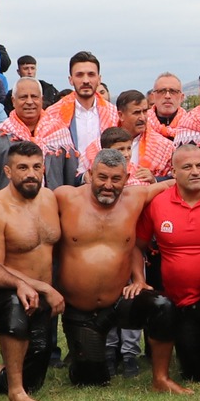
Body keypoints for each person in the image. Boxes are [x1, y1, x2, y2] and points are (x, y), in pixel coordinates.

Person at [53, 148, 165, 387]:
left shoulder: (135, 198)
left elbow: (175, 183)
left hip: (118, 302)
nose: (108, 185)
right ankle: (80, 350)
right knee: (92, 379)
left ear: (126, 178)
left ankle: (160, 370)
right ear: (90, 174)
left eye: (116, 179)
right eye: (102, 177)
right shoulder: (65, 197)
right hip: (80, 310)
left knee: (162, 306)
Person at [0, 142, 64, 401]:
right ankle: (15, 393)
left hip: (40, 298)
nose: (30, 173)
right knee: (13, 306)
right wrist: (42, 286)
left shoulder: (50, 199)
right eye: (22, 167)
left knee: (34, 379)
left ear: (44, 168)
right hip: (1, 290)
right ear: (8, 171)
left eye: (36, 167)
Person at [139, 144, 200, 392]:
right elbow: (136, 245)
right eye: (187, 167)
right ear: (173, 172)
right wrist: (138, 279)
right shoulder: (157, 203)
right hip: (183, 302)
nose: (195, 171)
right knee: (198, 375)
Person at [34, 52, 119, 183]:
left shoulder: (113, 113)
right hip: (67, 186)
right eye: (79, 75)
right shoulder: (54, 114)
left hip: (106, 183)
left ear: (99, 79)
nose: (86, 80)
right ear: (71, 79)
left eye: (91, 74)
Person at [111, 90, 176, 184]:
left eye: (145, 111)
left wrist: (154, 179)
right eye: (136, 113)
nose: (142, 118)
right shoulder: (103, 143)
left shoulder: (164, 146)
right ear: (121, 115)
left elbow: (175, 178)